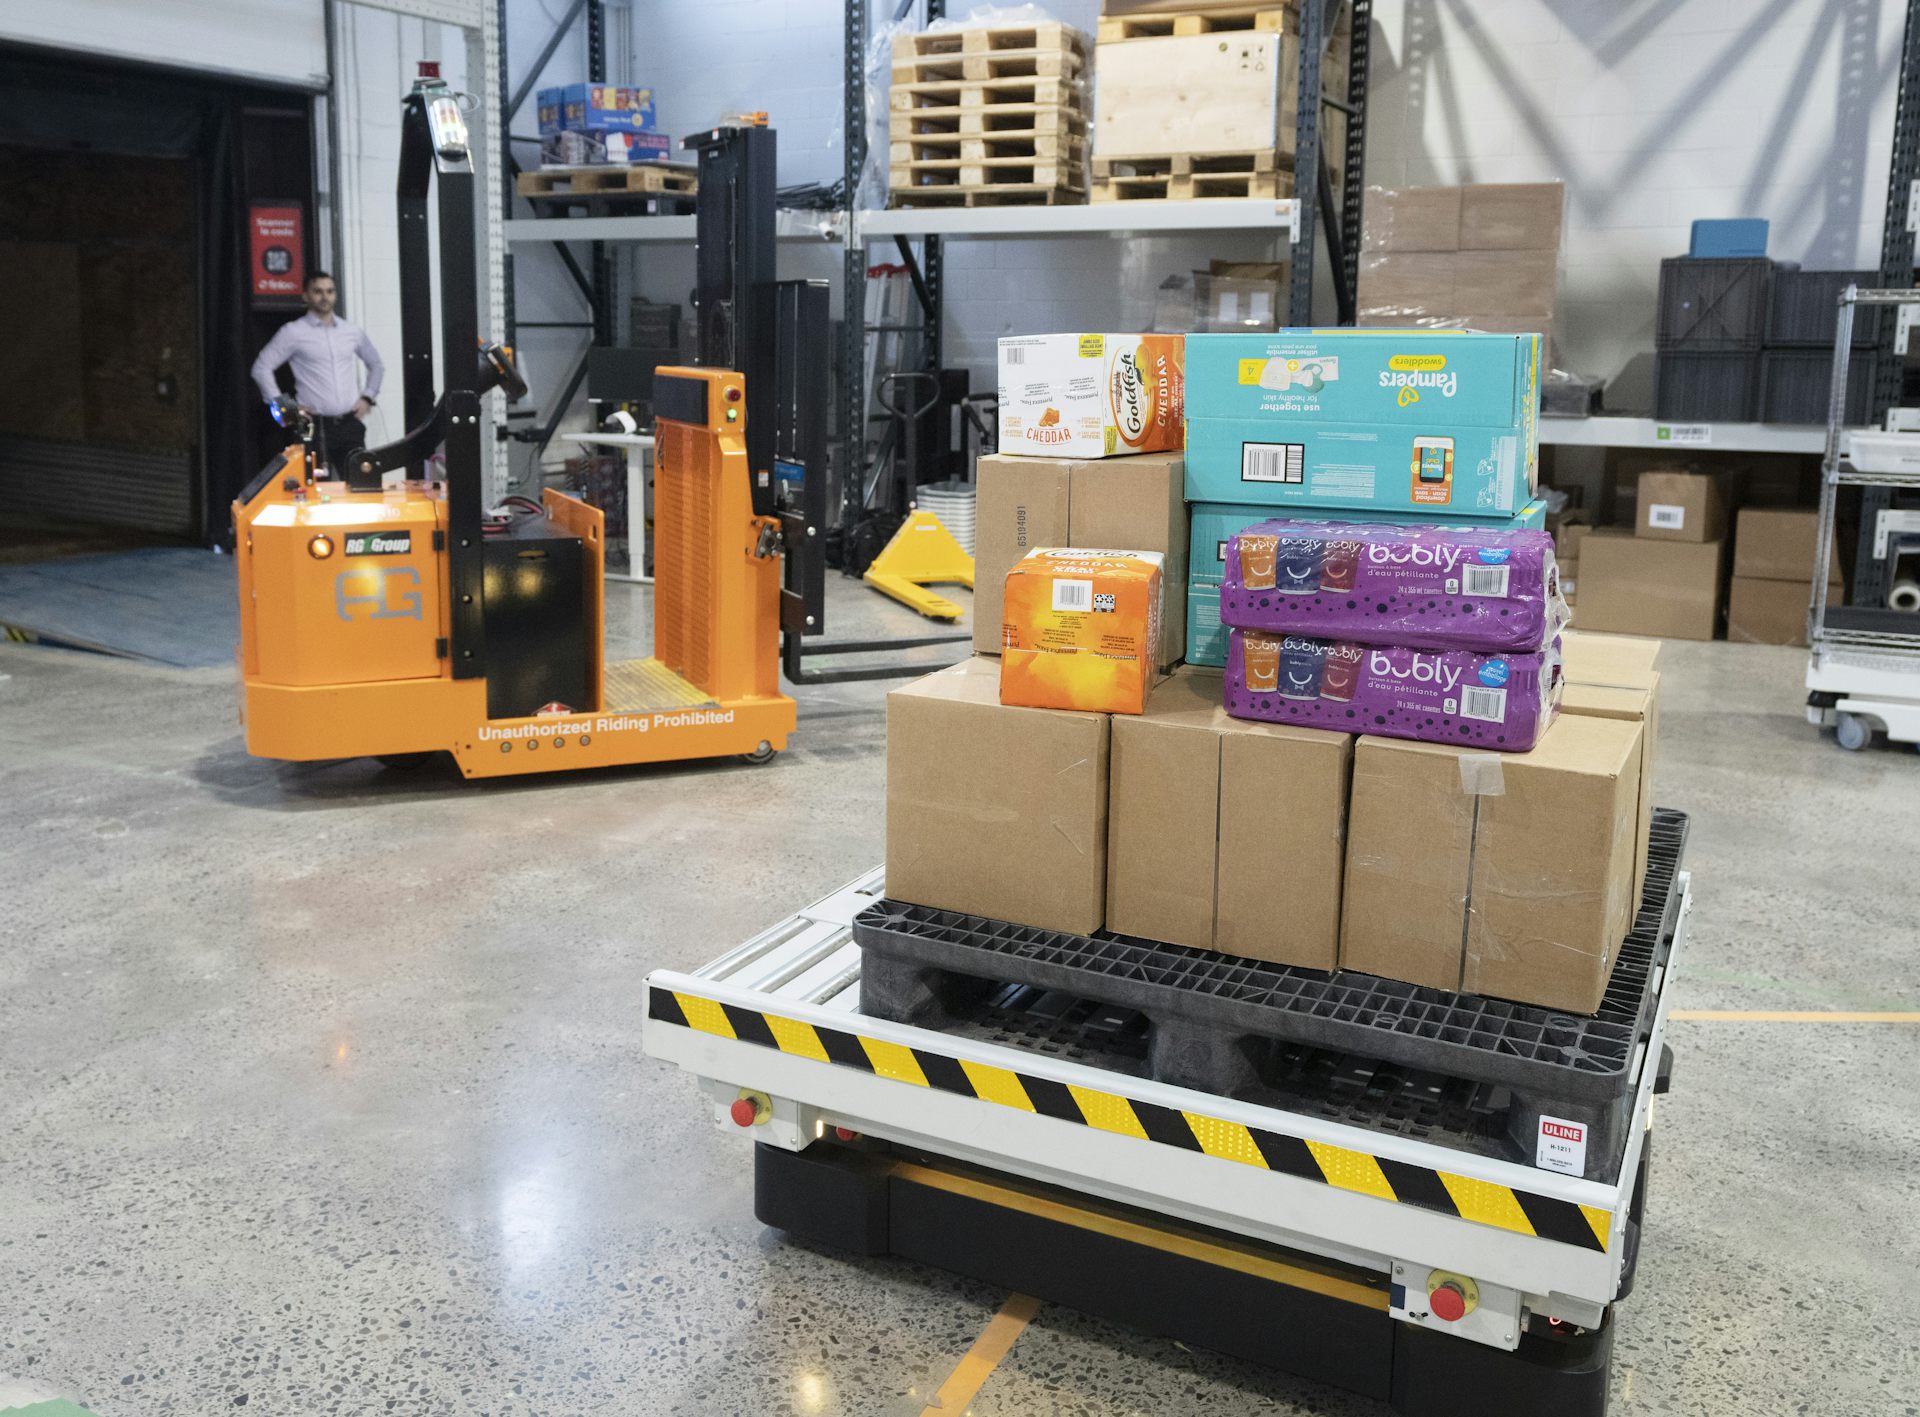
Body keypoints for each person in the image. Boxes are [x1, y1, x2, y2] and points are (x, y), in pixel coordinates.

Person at [250, 270, 385, 474]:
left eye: (330, 291)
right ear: (306, 296)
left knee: (360, 484)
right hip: (314, 426)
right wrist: (286, 410)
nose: (325, 297)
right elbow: (261, 368)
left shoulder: (351, 331)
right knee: (315, 491)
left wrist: (367, 398)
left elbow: (376, 364)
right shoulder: (293, 332)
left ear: (335, 295)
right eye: (318, 291)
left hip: (349, 423)